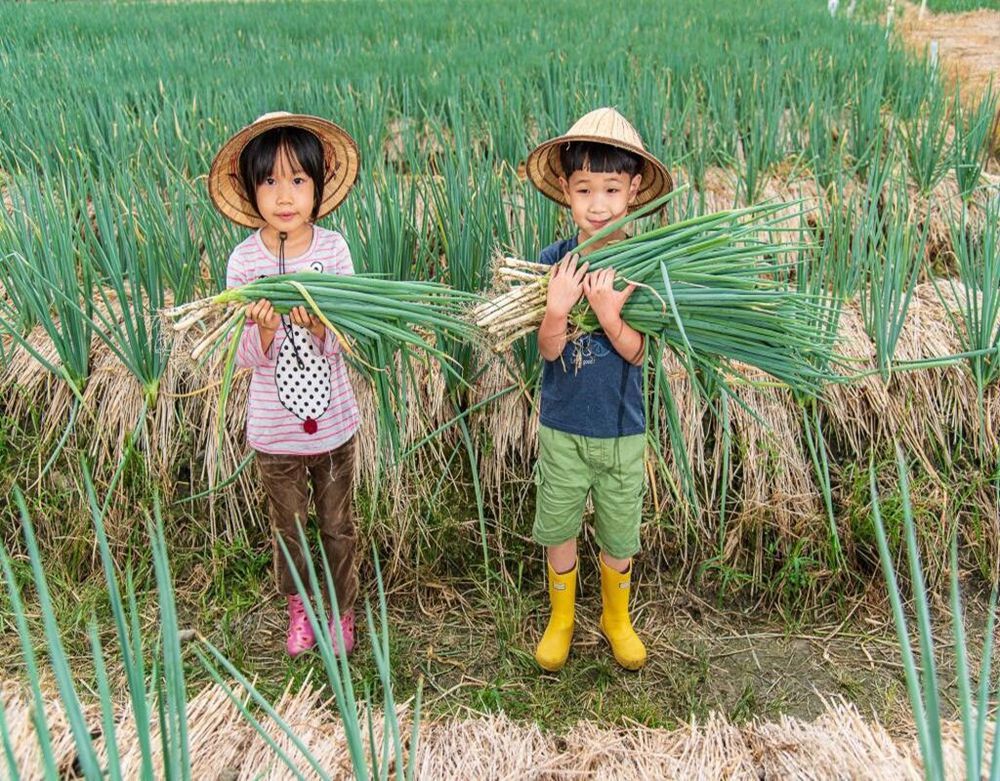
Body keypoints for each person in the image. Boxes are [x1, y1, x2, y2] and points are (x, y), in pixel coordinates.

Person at [524, 107, 673, 672]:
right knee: (559, 526)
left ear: (634, 190)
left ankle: (616, 618)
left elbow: (638, 351)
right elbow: (548, 351)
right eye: (584, 188)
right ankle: (561, 619)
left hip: (621, 428)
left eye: (612, 188)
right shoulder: (551, 263)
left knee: (619, 531)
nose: (598, 204)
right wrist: (557, 309)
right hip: (563, 425)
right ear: (565, 189)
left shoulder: (645, 264)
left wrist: (611, 315)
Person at [209, 111, 362, 657]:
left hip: (334, 427)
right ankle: (300, 610)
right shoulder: (244, 263)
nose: (284, 195)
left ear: (318, 188)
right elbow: (242, 356)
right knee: (291, 530)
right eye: (269, 181)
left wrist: (322, 323)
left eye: (298, 180)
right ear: (251, 192)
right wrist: (266, 330)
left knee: (338, 526)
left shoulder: (334, 252)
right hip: (274, 434)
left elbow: (348, 339)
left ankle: (341, 613)